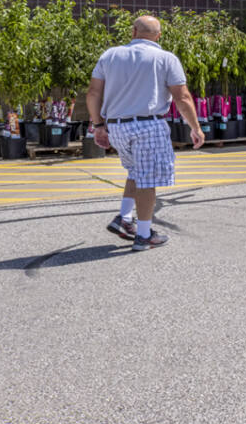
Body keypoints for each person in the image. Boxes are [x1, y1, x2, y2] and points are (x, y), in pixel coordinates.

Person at [85, 15, 205, 252]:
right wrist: (195, 127)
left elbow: (92, 93)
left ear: (133, 32)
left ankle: (124, 218)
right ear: (158, 36)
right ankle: (144, 235)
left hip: (117, 126)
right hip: (148, 126)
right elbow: (182, 98)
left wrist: (98, 125)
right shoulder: (165, 58)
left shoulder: (110, 55)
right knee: (147, 180)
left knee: (136, 171)